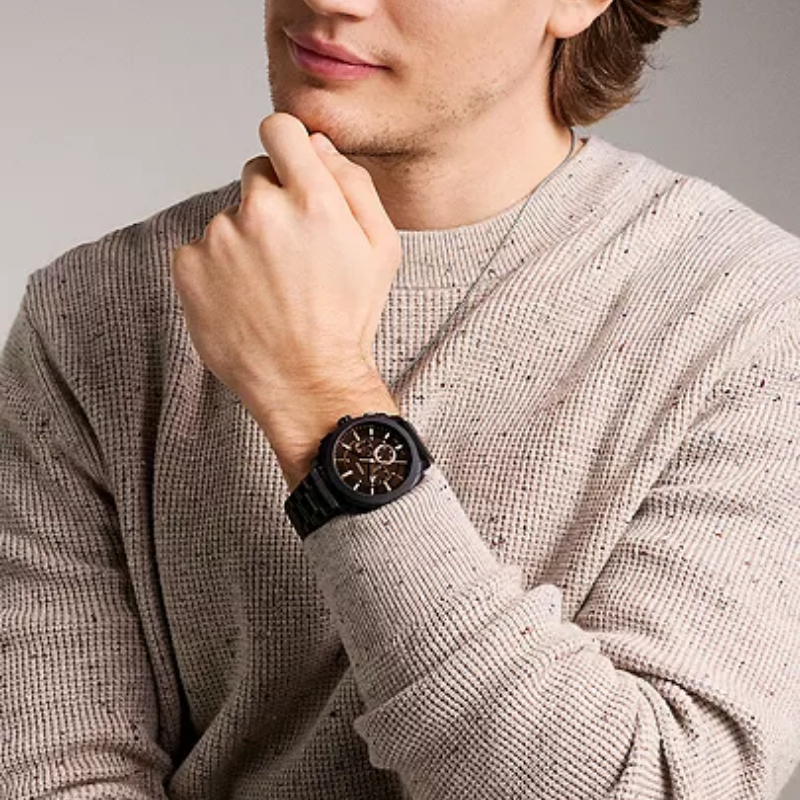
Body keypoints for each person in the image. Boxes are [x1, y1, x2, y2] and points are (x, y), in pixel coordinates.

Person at [2, 0, 800, 797]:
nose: (329, 1)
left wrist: (318, 394)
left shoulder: (755, 323)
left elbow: (653, 784)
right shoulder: (95, 309)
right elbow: (54, 770)